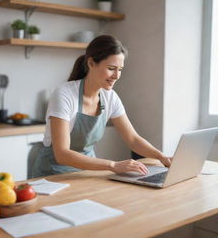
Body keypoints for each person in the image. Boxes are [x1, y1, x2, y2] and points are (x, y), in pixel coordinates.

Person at [32, 35, 172, 178]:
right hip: (54, 175)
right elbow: (62, 154)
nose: (117, 75)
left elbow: (133, 139)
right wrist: (113, 165)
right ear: (91, 63)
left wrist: (161, 157)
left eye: (120, 69)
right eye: (111, 68)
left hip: (88, 174)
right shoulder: (64, 94)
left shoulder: (110, 97)